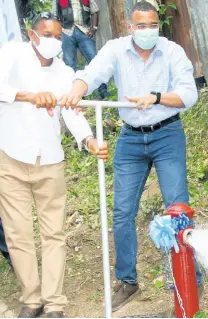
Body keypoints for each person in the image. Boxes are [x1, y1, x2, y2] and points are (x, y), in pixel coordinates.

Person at [58, 1, 203, 312]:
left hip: (167, 134)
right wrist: (77, 89)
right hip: (131, 139)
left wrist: (156, 97)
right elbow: (91, 74)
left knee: (178, 209)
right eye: (141, 26)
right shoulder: (116, 49)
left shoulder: (172, 51)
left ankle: (191, 278)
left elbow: (189, 94)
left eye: (153, 25)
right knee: (122, 212)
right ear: (129, 27)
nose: (148, 31)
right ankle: (128, 282)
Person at [0, 13, 108, 318]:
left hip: (50, 161)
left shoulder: (63, 72)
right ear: (32, 35)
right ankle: (32, 299)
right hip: (11, 157)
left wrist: (89, 141)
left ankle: (55, 304)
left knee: (53, 234)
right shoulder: (12, 54)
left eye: (58, 36)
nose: (53, 41)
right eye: (47, 34)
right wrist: (28, 96)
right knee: (18, 234)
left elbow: (71, 112)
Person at [52, 0, 110, 99]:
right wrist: (57, 33)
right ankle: (75, 93)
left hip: (84, 31)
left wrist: (94, 28)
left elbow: (95, 11)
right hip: (66, 32)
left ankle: (103, 91)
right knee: (69, 64)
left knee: (94, 61)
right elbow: (54, 16)